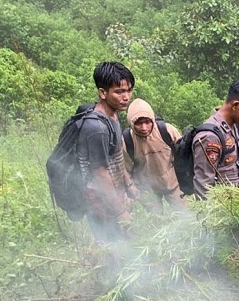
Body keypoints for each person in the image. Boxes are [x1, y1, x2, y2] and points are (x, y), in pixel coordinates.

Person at [78, 62, 139, 242]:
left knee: (124, 242)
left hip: (114, 193)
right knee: (112, 247)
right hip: (100, 198)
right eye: (119, 92)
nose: (126, 97)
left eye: (129, 90)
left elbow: (117, 155)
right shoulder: (97, 128)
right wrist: (121, 211)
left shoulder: (112, 115)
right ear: (102, 93)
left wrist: (128, 184)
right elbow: (100, 173)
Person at [191, 77, 239, 199]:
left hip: (230, 203)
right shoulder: (210, 137)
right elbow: (203, 186)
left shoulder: (231, 126)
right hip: (219, 209)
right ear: (235, 105)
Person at [122, 98, 187, 210]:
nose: (144, 128)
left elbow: (184, 156)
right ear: (131, 123)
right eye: (139, 123)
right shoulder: (127, 141)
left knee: (185, 216)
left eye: (147, 122)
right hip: (147, 189)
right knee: (155, 222)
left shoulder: (167, 131)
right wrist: (129, 188)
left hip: (173, 183)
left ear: (152, 120)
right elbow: (125, 169)